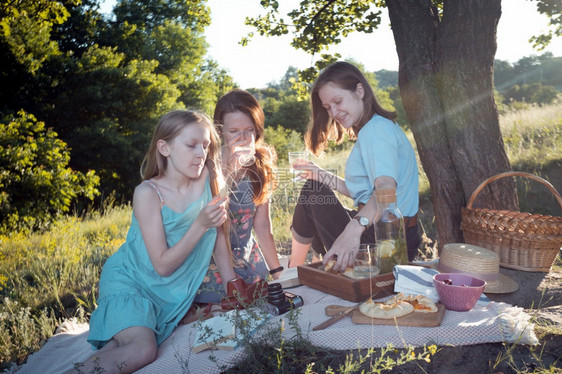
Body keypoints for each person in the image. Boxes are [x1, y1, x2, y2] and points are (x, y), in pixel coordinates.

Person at [73, 110, 236, 374]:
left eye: (205, 146)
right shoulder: (147, 193)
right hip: (132, 281)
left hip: (166, 291)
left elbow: (219, 233)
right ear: (164, 147)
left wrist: (233, 289)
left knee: (120, 347)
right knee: (143, 349)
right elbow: (162, 265)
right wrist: (200, 224)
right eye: (191, 145)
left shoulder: (208, 175)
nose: (200, 153)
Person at [288, 61, 420, 272]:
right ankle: (299, 268)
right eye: (327, 107)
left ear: (359, 91)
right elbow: (364, 193)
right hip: (393, 232)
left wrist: (353, 229)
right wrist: (321, 174)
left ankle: (294, 271)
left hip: (387, 239)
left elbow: (385, 188)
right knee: (314, 187)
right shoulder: (377, 127)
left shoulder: (375, 131)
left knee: (311, 192)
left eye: (337, 101)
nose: (333, 112)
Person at [195, 89, 283, 304]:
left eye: (249, 130)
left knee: (264, 307)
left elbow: (262, 227)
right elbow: (212, 224)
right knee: (220, 310)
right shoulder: (205, 166)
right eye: (234, 131)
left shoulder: (260, 165)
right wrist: (229, 171)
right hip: (212, 261)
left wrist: (278, 272)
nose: (242, 138)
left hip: (248, 259)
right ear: (220, 132)